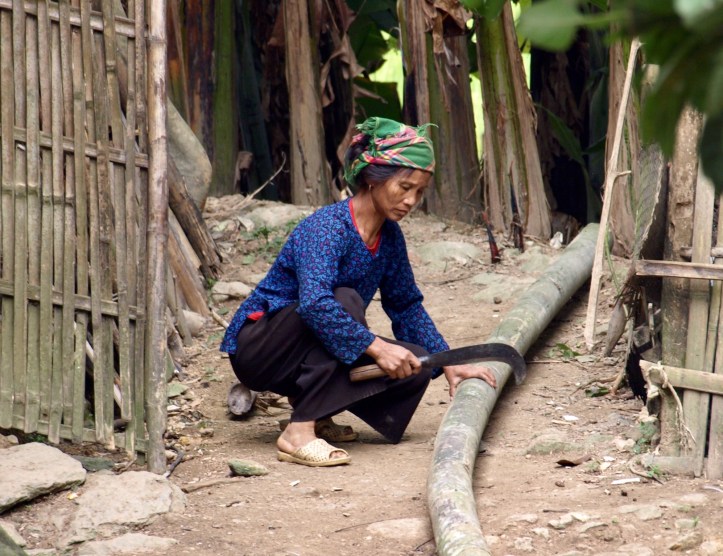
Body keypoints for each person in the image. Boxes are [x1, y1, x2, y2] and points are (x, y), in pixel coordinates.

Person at [220, 117, 497, 467]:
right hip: (260, 348)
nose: (411, 200)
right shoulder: (327, 227)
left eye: (419, 192)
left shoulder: (390, 237)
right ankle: (298, 432)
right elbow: (315, 304)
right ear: (371, 178)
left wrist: (446, 362)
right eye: (404, 187)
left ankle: (318, 413)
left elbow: (406, 306)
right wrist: (378, 348)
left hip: (306, 349)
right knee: (344, 301)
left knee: (415, 363)